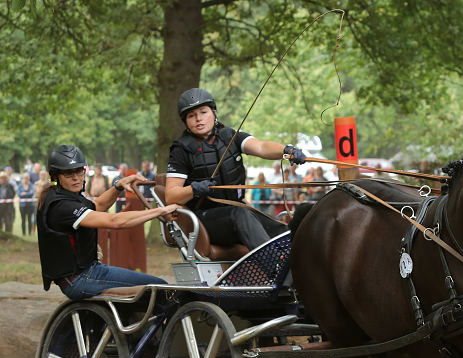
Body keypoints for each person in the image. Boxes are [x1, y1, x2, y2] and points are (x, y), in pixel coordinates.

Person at [164, 88, 306, 251]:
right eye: (191, 115)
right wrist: (194, 188)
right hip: (204, 220)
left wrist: (286, 151)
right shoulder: (181, 150)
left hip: (239, 212)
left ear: (214, 112)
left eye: (203, 112)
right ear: (186, 122)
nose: (198, 119)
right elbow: (171, 196)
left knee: (282, 231)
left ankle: (297, 268)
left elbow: (261, 146)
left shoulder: (230, 136)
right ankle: (275, 267)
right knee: (241, 215)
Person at [37, 145, 178, 299]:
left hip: (87, 272)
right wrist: (161, 210)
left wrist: (118, 186)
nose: (76, 177)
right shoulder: (62, 206)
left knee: (158, 286)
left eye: (79, 171)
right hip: (81, 279)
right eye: (68, 173)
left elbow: (97, 206)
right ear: (56, 176)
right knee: (161, 288)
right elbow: (115, 221)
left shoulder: (63, 197)